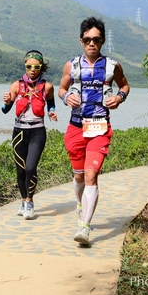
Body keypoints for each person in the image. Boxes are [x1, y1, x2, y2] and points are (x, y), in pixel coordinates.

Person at [58, 17, 130, 245]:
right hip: (76, 127)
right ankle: (80, 205)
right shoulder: (71, 65)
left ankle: (85, 227)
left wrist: (119, 98)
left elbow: (124, 85)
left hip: (100, 127)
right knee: (79, 175)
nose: (92, 43)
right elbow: (61, 88)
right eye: (88, 39)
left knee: (91, 175)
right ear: (81, 41)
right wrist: (66, 97)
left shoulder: (112, 66)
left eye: (96, 40)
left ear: (103, 41)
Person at [2, 50, 57, 219]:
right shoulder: (16, 86)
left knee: (31, 167)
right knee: (20, 170)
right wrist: (6, 102)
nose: (32, 70)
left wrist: (52, 113)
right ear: (25, 66)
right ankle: (23, 201)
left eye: (36, 67)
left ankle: (30, 201)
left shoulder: (47, 87)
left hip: (37, 131)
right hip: (19, 132)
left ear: (41, 67)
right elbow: (5, 110)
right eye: (29, 66)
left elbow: (51, 104)